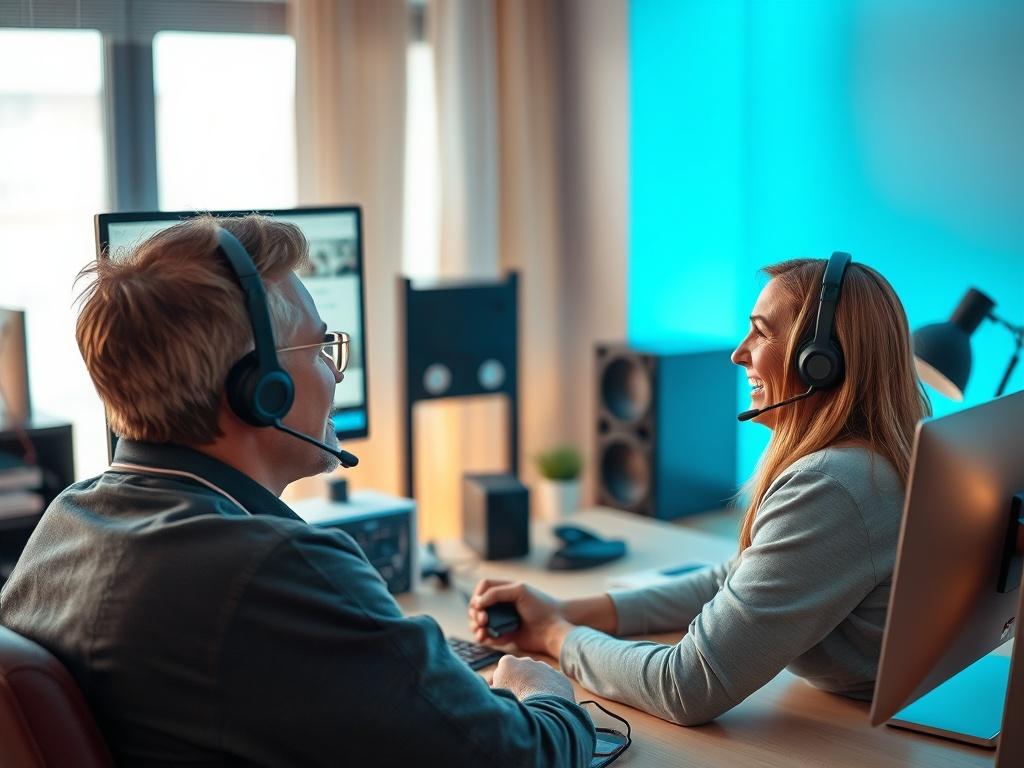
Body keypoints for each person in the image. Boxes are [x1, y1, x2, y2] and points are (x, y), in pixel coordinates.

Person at [0, 215, 595, 766]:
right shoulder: (273, 568)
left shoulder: (65, 522)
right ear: (262, 388)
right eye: (320, 348)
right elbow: (514, 757)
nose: (335, 372)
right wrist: (542, 691)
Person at [468, 257, 931, 726]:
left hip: (871, 736)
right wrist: (569, 610)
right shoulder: (868, 463)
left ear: (821, 363)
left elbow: (687, 684)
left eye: (761, 333)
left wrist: (555, 637)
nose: (739, 353)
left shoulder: (833, 486)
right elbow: (733, 580)